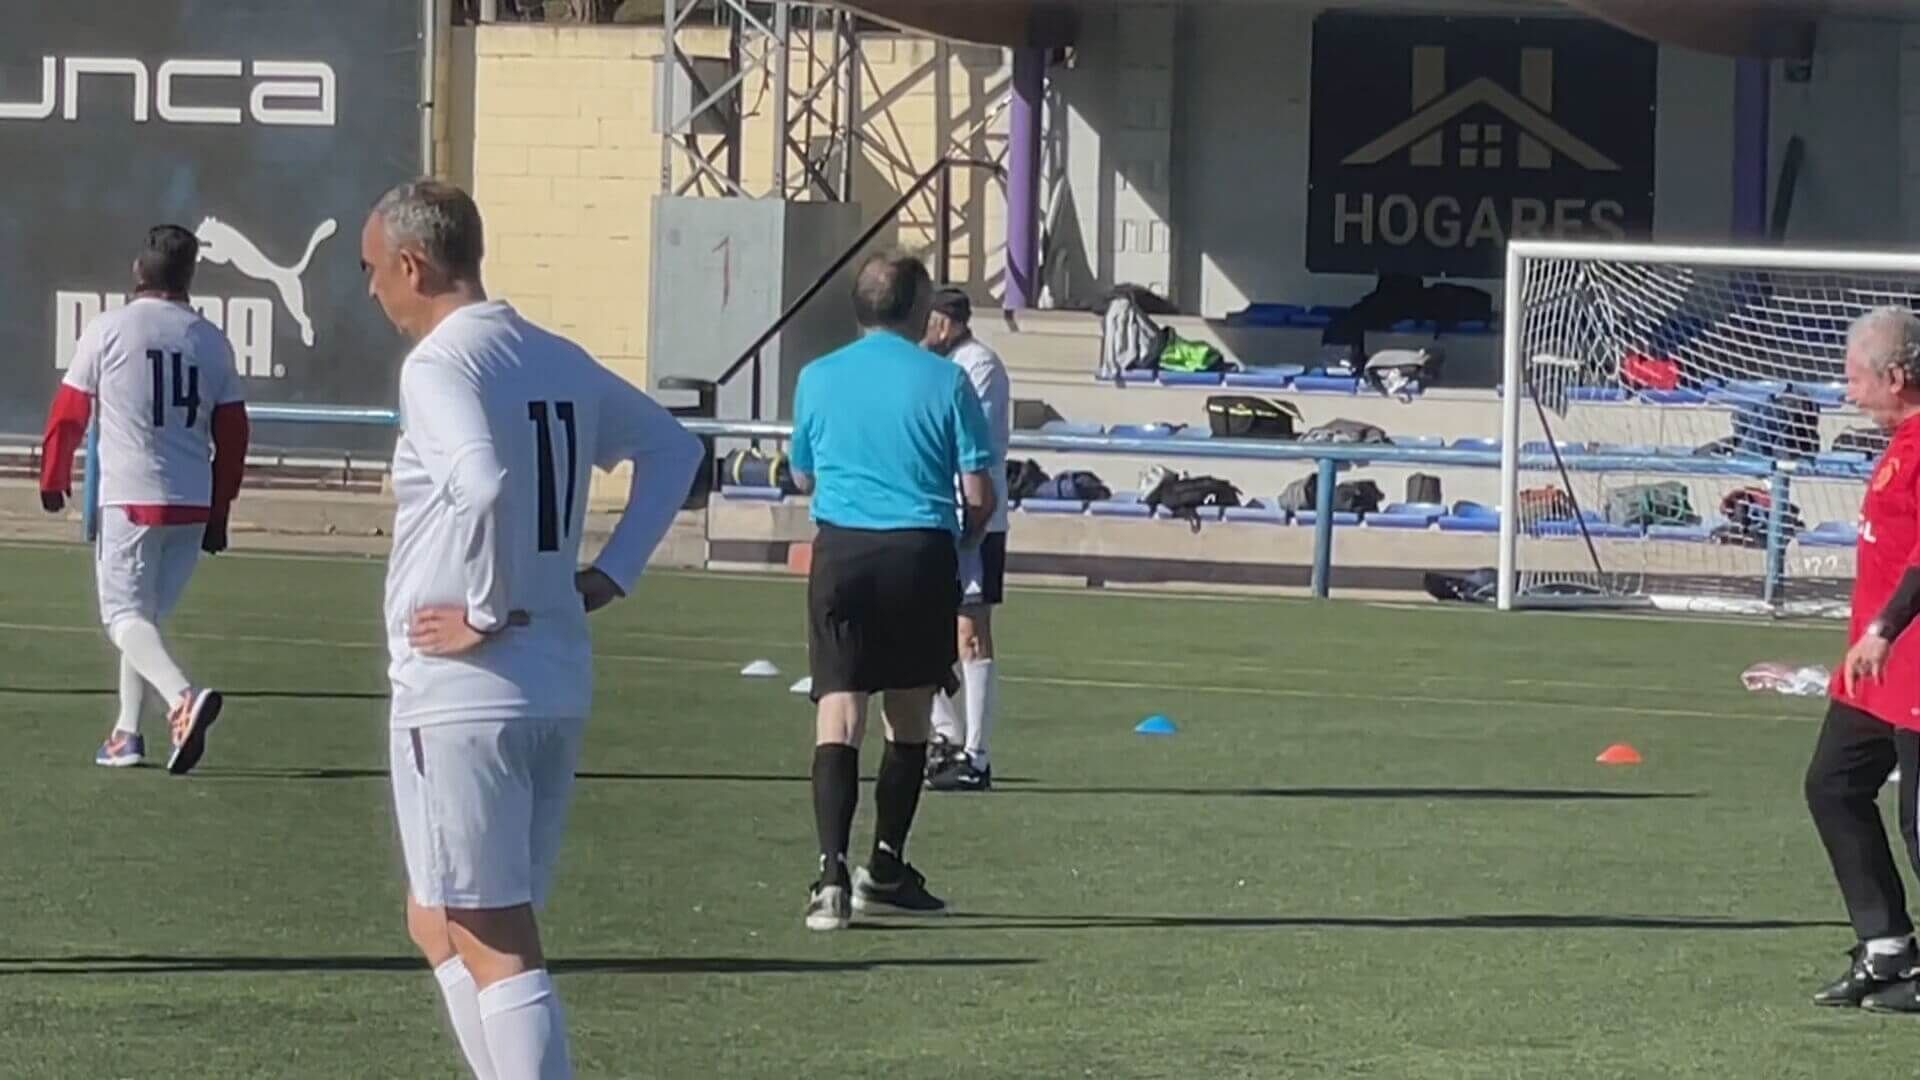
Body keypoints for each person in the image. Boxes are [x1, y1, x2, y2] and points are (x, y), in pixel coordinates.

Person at [362, 179, 701, 1078]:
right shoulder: (553, 354)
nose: (371, 292)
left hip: (466, 687)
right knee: (438, 917)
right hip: (552, 674)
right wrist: (613, 570)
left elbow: (480, 482)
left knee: (493, 932)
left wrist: (480, 610)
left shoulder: (439, 365)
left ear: (412, 263)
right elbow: (677, 449)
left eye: (371, 271)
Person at [789, 253, 997, 931]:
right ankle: (885, 863)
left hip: (843, 551)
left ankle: (829, 876)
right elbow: (979, 493)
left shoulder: (817, 377)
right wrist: (962, 539)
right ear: (917, 309)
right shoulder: (947, 381)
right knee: (909, 715)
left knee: (838, 710)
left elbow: (802, 477)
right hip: (919, 551)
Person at [40, 224, 250, 775]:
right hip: (192, 501)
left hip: (133, 497)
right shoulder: (211, 339)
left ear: (138, 271)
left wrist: (53, 476)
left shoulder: (110, 328)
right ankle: (126, 733)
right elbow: (233, 434)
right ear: (190, 276)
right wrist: (221, 507)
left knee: (123, 617)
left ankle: (182, 701)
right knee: (145, 618)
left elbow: (70, 410)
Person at [1807, 305, 1920, 1013]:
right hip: (1874, 675)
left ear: (1897, 376)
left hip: (1912, 664)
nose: (1849, 393)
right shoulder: (1898, 440)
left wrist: (1883, 627)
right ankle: (1886, 946)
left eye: (1857, 379)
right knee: (1833, 786)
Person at [921, 286, 1010, 792]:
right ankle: (946, 732)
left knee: (969, 631)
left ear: (944, 322)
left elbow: (962, 438)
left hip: (976, 519)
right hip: (934, 514)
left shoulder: (979, 366)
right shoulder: (935, 366)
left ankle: (976, 753)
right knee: (914, 624)